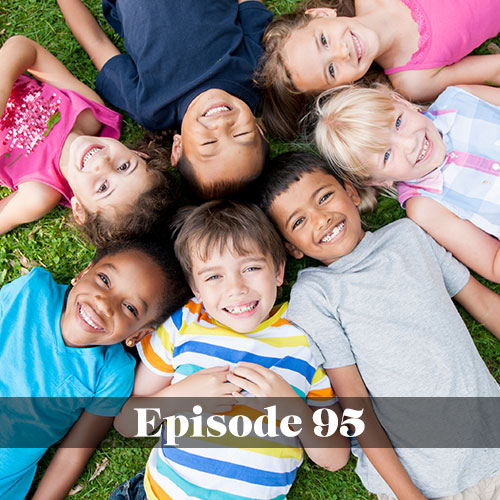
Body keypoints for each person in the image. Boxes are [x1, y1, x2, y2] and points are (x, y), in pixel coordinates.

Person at [258, 151, 500, 500]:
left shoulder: (409, 237)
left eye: (324, 197)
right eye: (298, 222)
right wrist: (409, 496)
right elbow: (355, 404)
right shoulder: (315, 293)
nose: (321, 219)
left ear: (351, 192)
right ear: (291, 249)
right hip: (427, 481)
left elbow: (484, 305)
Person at [112, 200, 350, 500]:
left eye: (250, 268)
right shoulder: (186, 322)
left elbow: (336, 459)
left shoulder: (304, 339)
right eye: (214, 276)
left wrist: (291, 407)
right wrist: (184, 394)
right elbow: (126, 422)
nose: (236, 288)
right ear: (195, 288)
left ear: (278, 271)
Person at [0, 239, 192, 500]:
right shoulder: (32, 292)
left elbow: (73, 453)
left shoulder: (113, 373)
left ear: (138, 335)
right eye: (104, 279)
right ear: (83, 273)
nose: (104, 304)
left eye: (130, 308)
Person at [57, 0, 272, 199]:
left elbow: (97, 43)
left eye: (209, 142)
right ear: (259, 129)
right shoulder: (255, 71)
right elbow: (250, 5)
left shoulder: (150, 107)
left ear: (178, 148)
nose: (222, 125)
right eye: (241, 134)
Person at [313, 83, 500, 283]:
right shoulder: (425, 205)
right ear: (377, 180)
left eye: (398, 122)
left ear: (402, 102)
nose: (410, 144)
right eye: (386, 155)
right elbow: (493, 264)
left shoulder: (461, 97)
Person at [0, 35, 176, 245]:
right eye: (124, 166)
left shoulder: (39, 193)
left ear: (79, 209)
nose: (102, 164)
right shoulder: (87, 111)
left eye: (103, 188)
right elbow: (25, 48)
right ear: (139, 153)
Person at [255, 0, 500, 139]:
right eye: (331, 70)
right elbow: (493, 70)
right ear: (345, 87)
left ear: (321, 14)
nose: (342, 52)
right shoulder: (413, 80)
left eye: (323, 40)